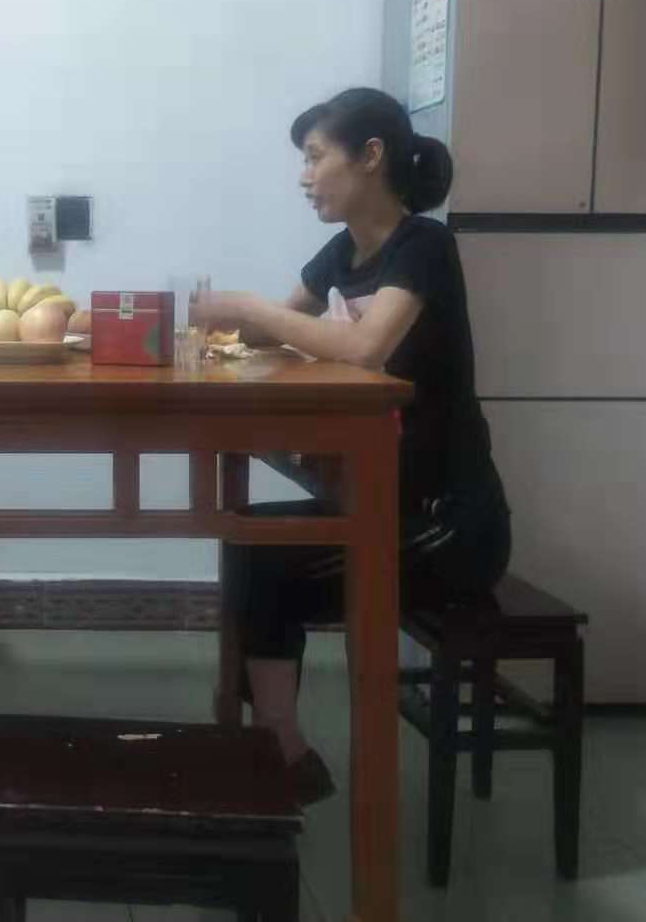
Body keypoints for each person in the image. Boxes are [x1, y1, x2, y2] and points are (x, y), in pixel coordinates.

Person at [194, 88, 510, 804]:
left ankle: (278, 752)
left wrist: (248, 307)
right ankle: (276, 743)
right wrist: (214, 319)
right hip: (379, 498)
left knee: (267, 564)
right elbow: (278, 326)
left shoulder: (423, 246)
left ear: (370, 156)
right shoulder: (344, 250)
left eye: (314, 158)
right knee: (247, 541)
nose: (304, 178)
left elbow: (366, 347)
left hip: (446, 523)